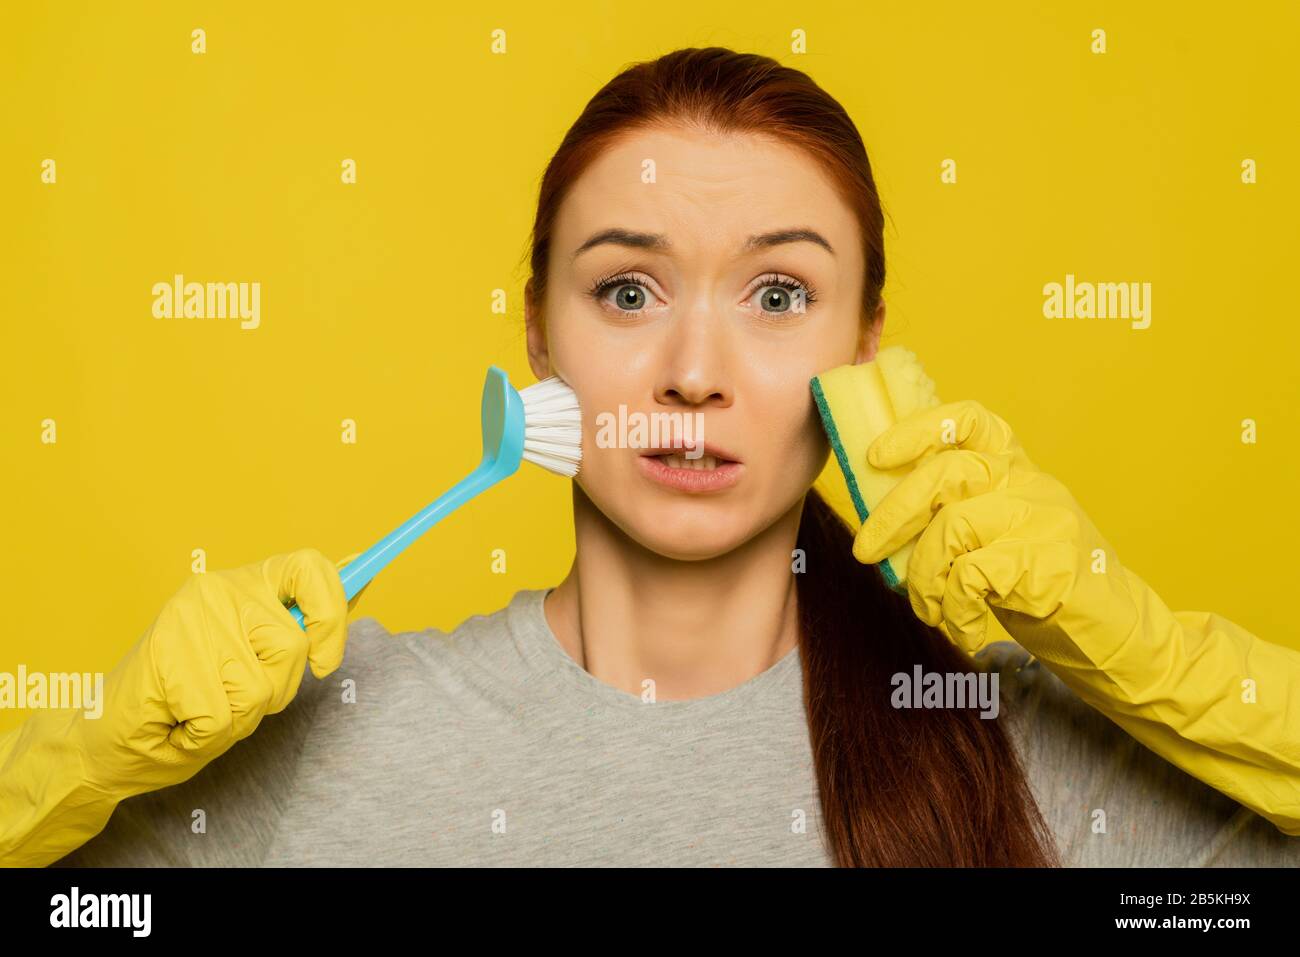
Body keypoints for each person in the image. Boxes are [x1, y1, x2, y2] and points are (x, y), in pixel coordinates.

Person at [4, 47, 1298, 868]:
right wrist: (87, 756)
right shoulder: (322, 741)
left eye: (779, 296)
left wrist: (1150, 653)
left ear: (868, 346)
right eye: (628, 291)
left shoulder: (1009, 738)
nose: (695, 370)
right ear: (535, 334)